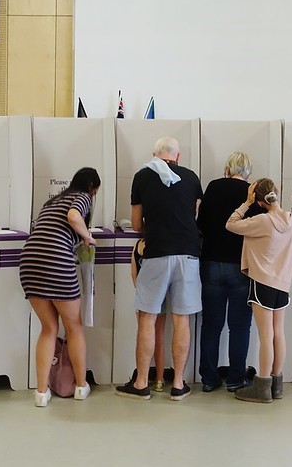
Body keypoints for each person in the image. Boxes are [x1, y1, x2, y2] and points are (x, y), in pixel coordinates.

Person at [116, 137, 203, 401]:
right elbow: (194, 215)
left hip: (156, 253)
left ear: (155, 154)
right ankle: (178, 384)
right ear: (178, 157)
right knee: (181, 318)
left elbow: (136, 224)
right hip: (188, 253)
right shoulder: (191, 178)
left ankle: (142, 382)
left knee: (148, 318)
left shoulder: (142, 176)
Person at [19, 167, 100, 407]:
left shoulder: (52, 202)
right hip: (56, 262)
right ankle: (79, 386)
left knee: (48, 329)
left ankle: (42, 392)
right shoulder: (82, 197)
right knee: (73, 327)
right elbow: (74, 217)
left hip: (30, 262)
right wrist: (87, 237)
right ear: (92, 187)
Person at [226, 178, 292, 404]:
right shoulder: (290, 220)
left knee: (265, 335)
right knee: (279, 333)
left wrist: (245, 203)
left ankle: (262, 387)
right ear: (276, 192)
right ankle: (276, 385)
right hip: (283, 284)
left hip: (262, 282)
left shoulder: (261, 220)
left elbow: (231, 223)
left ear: (258, 200)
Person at [197, 152, 262, 393]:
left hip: (212, 262)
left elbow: (200, 224)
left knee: (211, 325)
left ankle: (208, 379)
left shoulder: (213, 187)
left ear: (227, 168)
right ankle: (236, 378)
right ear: (248, 171)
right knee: (240, 326)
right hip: (241, 266)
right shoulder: (251, 194)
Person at [130, 238, 167, 392]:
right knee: (159, 338)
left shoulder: (139, 244)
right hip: (162, 296)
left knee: (143, 336)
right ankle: (160, 379)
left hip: (144, 296)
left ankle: (141, 377)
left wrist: (140, 291)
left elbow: (133, 273)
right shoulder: (164, 244)